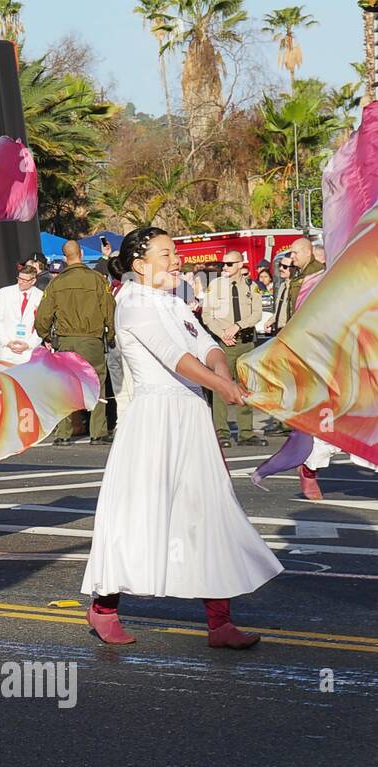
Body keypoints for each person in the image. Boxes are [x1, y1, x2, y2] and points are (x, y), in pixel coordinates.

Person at [81, 227, 280, 649]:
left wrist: (223, 373)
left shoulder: (172, 302)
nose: (176, 261)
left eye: (175, 253)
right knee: (140, 517)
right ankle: (104, 608)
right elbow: (177, 359)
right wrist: (223, 388)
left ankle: (220, 623)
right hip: (154, 420)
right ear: (139, 263)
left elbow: (206, 346)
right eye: (167, 254)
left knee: (209, 513)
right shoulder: (133, 304)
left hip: (190, 416)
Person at [34, 240, 115, 445]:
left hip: (66, 340)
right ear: (80, 253)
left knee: (65, 386)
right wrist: (111, 335)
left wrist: (47, 336)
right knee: (96, 384)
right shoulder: (97, 279)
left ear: (65, 257)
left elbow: (43, 315)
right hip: (91, 339)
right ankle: (98, 431)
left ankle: (63, 434)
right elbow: (109, 310)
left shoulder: (57, 282)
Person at [201, 250, 267, 448]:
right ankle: (221, 431)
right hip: (225, 343)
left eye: (229, 264)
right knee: (222, 384)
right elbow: (207, 316)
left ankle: (246, 432)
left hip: (245, 340)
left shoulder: (251, 287)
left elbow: (256, 314)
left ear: (240, 264)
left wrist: (237, 326)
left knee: (245, 386)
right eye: (224, 264)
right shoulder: (216, 287)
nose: (225, 268)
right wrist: (222, 334)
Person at [0, 263, 44, 364]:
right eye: (19, 278)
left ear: (33, 281)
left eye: (25, 280)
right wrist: (6, 342)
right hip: (6, 351)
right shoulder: (5, 292)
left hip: (28, 352)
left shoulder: (40, 296)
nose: (21, 282)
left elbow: (41, 324)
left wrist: (30, 344)